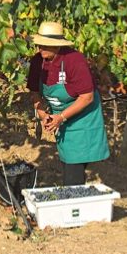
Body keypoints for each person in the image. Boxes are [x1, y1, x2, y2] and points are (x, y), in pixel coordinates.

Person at [26, 21, 110, 185]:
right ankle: (74, 199)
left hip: (82, 117)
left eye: (45, 45)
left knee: (73, 166)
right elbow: (35, 93)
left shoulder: (74, 60)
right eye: (39, 44)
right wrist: (43, 114)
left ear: (57, 46)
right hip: (61, 117)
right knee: (68, 161)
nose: (40, 48)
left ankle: (74, 204)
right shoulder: (37, 61)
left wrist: (61, 117)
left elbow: (87, 97)